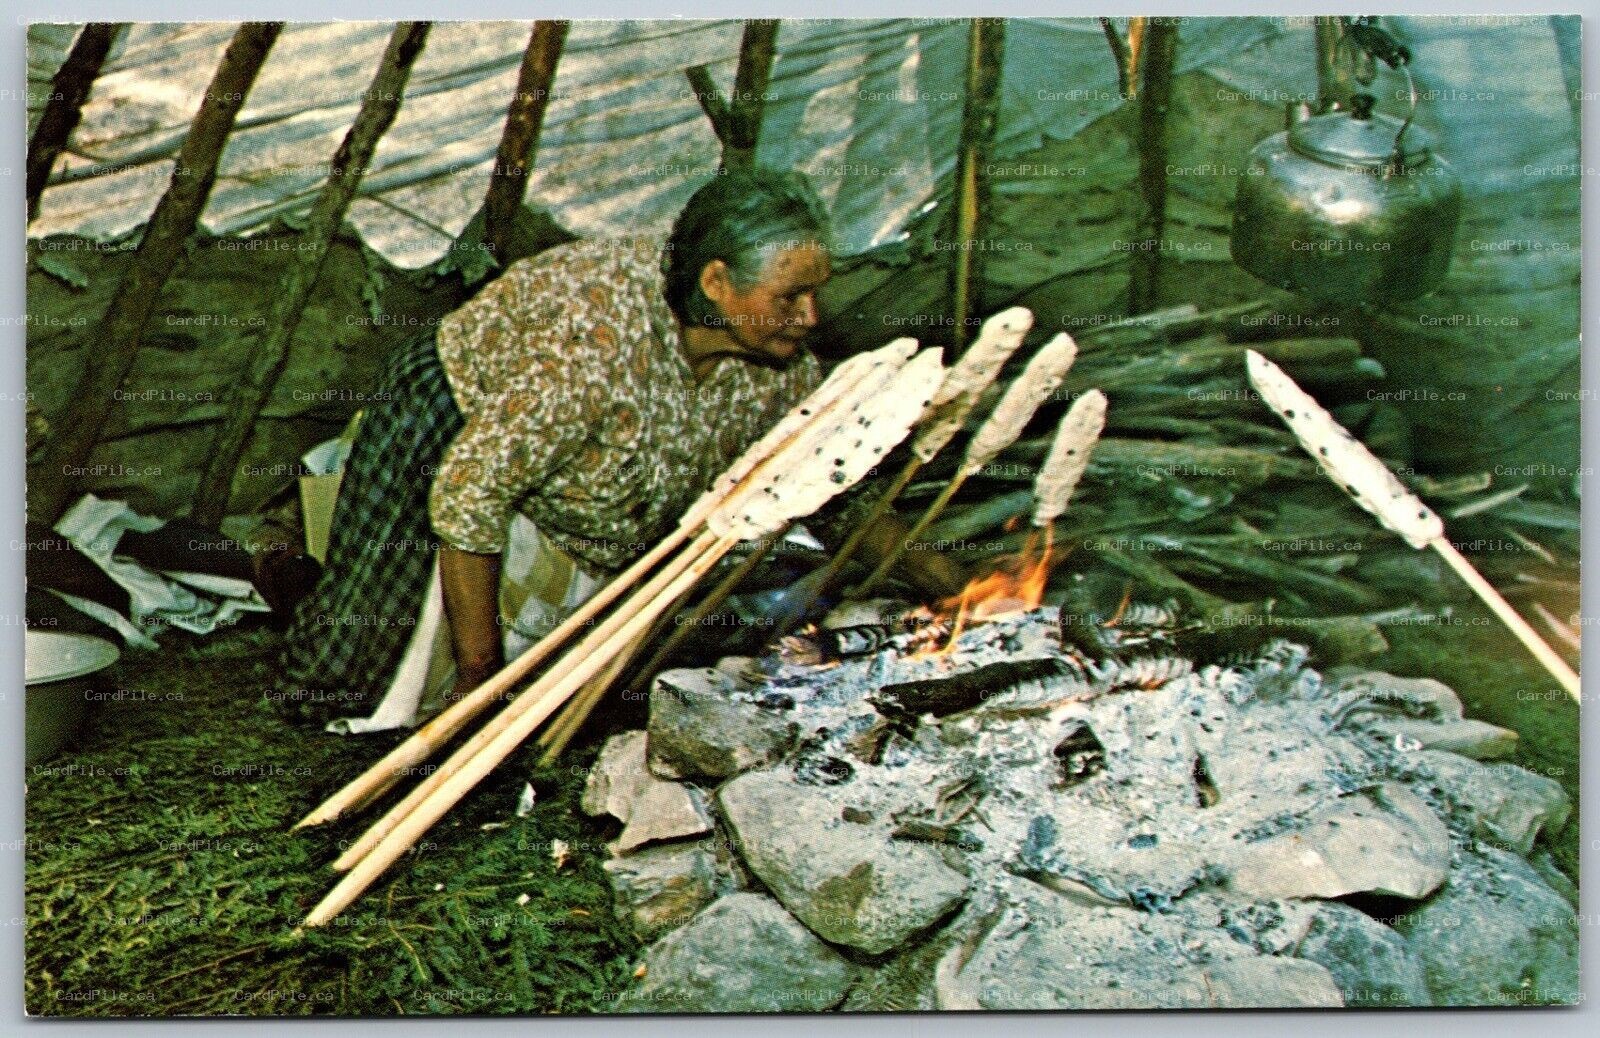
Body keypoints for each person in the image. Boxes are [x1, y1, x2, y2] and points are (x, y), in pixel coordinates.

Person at [278, 167, 962, 730]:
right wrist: (478, 681)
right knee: (349, 680)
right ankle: (282, 569)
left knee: (599, 684)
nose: (809, 316)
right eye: (790, 296)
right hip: (452, 423)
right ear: (717, 283)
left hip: (575, 490)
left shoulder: (777, 368)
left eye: (817, 292)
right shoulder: (597, 348)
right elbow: (467, 493)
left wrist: (954, 588)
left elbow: (836, 480)